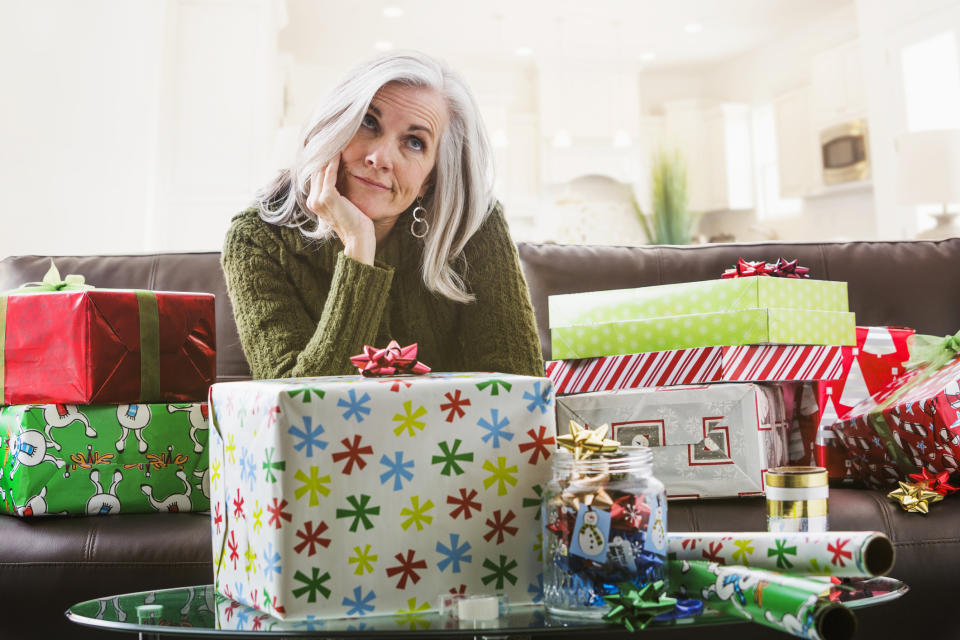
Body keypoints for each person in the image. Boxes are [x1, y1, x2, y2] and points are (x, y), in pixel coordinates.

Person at [222, 51, 544, 380]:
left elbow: (521, 390)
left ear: (429, 179)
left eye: (415, 142)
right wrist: (358, 252)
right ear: (335, 125)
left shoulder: (473, 224)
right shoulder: (257, 238)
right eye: (369, 122)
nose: (380, 157)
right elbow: (296, 408)